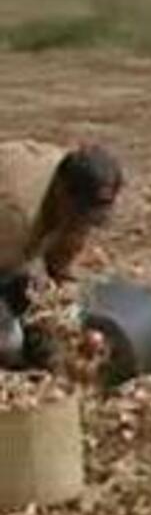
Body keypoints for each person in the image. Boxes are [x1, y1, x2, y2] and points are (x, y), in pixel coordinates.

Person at [0, 140, 123, 365]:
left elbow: (63, 258)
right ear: (62, 193)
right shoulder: (14, 215)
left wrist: (74, 316)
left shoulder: (74, 178)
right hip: (6, 236)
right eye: (80, 215)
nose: (83, 224)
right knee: (9, 345)